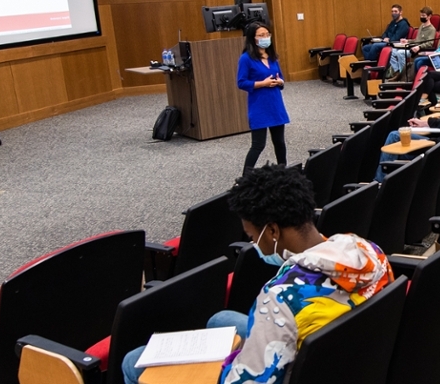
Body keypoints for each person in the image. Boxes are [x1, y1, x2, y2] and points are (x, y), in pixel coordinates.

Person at [120, 165, 394, 384]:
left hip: (299, 365)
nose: (254, 244)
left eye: (252, 235)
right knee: (220, 319)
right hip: (347, 358)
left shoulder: (279, 299)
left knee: (133, 362)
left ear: (273, 231)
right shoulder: (367, 250)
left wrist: (223, 367)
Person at [237, 23, 289, 173]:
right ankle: (245, 178)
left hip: (275, 104)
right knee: (258, 145)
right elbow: (241, 82)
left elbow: (281, 78)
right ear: (253, 38)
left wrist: (280, 82)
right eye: (261, 35)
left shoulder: (272, 57)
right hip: (259, 105)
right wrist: (263, 83)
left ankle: (283, 172)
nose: (265, 38)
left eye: (267, 34)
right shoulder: (246, 59)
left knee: (279, 142)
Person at [388, 7, 436, 80]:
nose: (422, 17)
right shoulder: (421, 26)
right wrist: (407, 41)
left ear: (429, 16)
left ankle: (404, 75)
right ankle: (397, 72)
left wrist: (419, 47)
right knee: (391, 51)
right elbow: (417, 40)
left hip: (420, 50)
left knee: (400, 53)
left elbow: (429, 43)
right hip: (414, 47)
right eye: (421, 15)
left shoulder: (432, 29)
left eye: (424, 16)